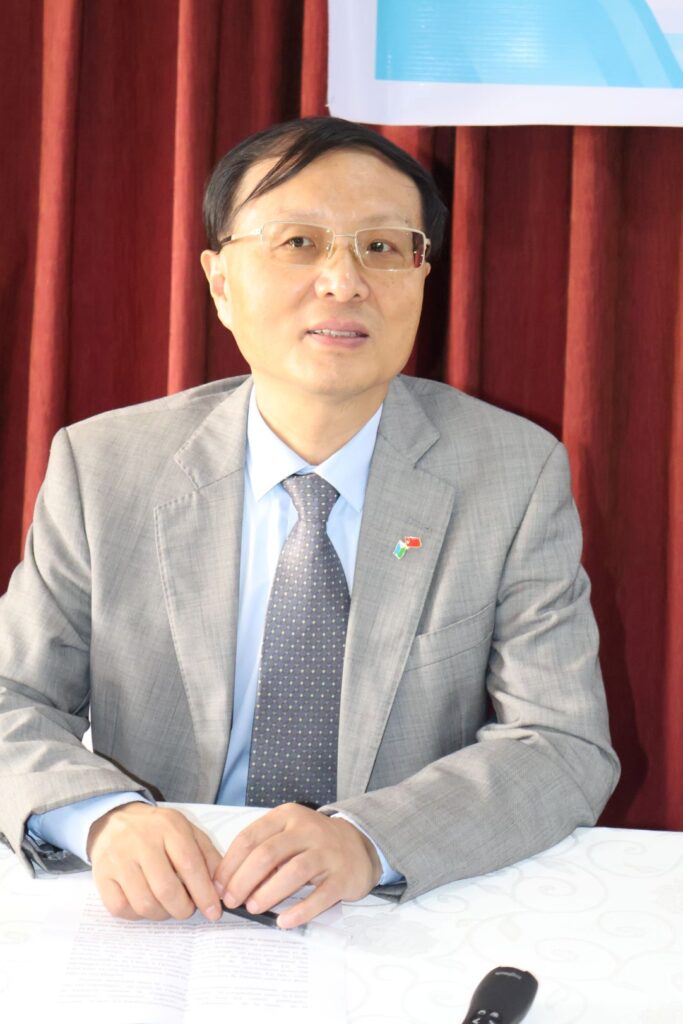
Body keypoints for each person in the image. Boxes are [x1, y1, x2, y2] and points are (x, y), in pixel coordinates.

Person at [0, 116, 619, 929]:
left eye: (382, 246)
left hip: (389, 909)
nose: (343, 281)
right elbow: (11, 695)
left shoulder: (509, 473)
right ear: (220, 283)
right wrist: (104, 817)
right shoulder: (106, 466)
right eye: (298, 243)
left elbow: (562, 744)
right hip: (169, 904)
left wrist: (369, 839)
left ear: (421, 277)